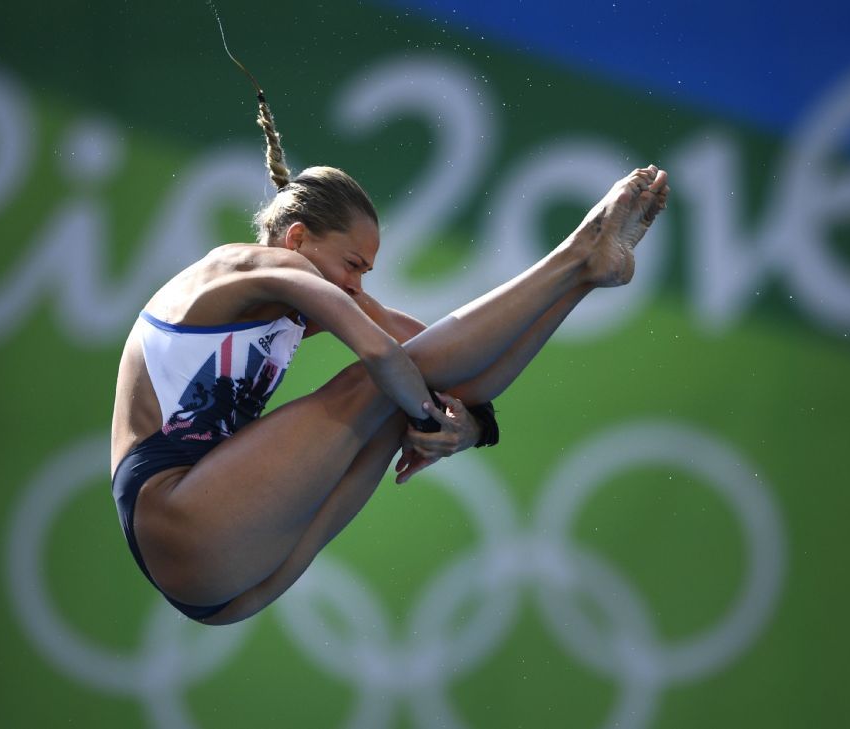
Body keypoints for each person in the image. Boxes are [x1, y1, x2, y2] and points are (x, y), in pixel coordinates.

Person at [110, 86, 670, 626]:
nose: (356, 285)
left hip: (232, 577)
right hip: (180, 517)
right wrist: (435, 413)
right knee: (380, 381)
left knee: (402, 395)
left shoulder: (309, 286)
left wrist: (467, 428)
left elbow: (448, 357)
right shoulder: (254, 267)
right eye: (353, 264)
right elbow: (384, 355)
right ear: (299, 239)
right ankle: (575, 252)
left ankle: (583, 277)